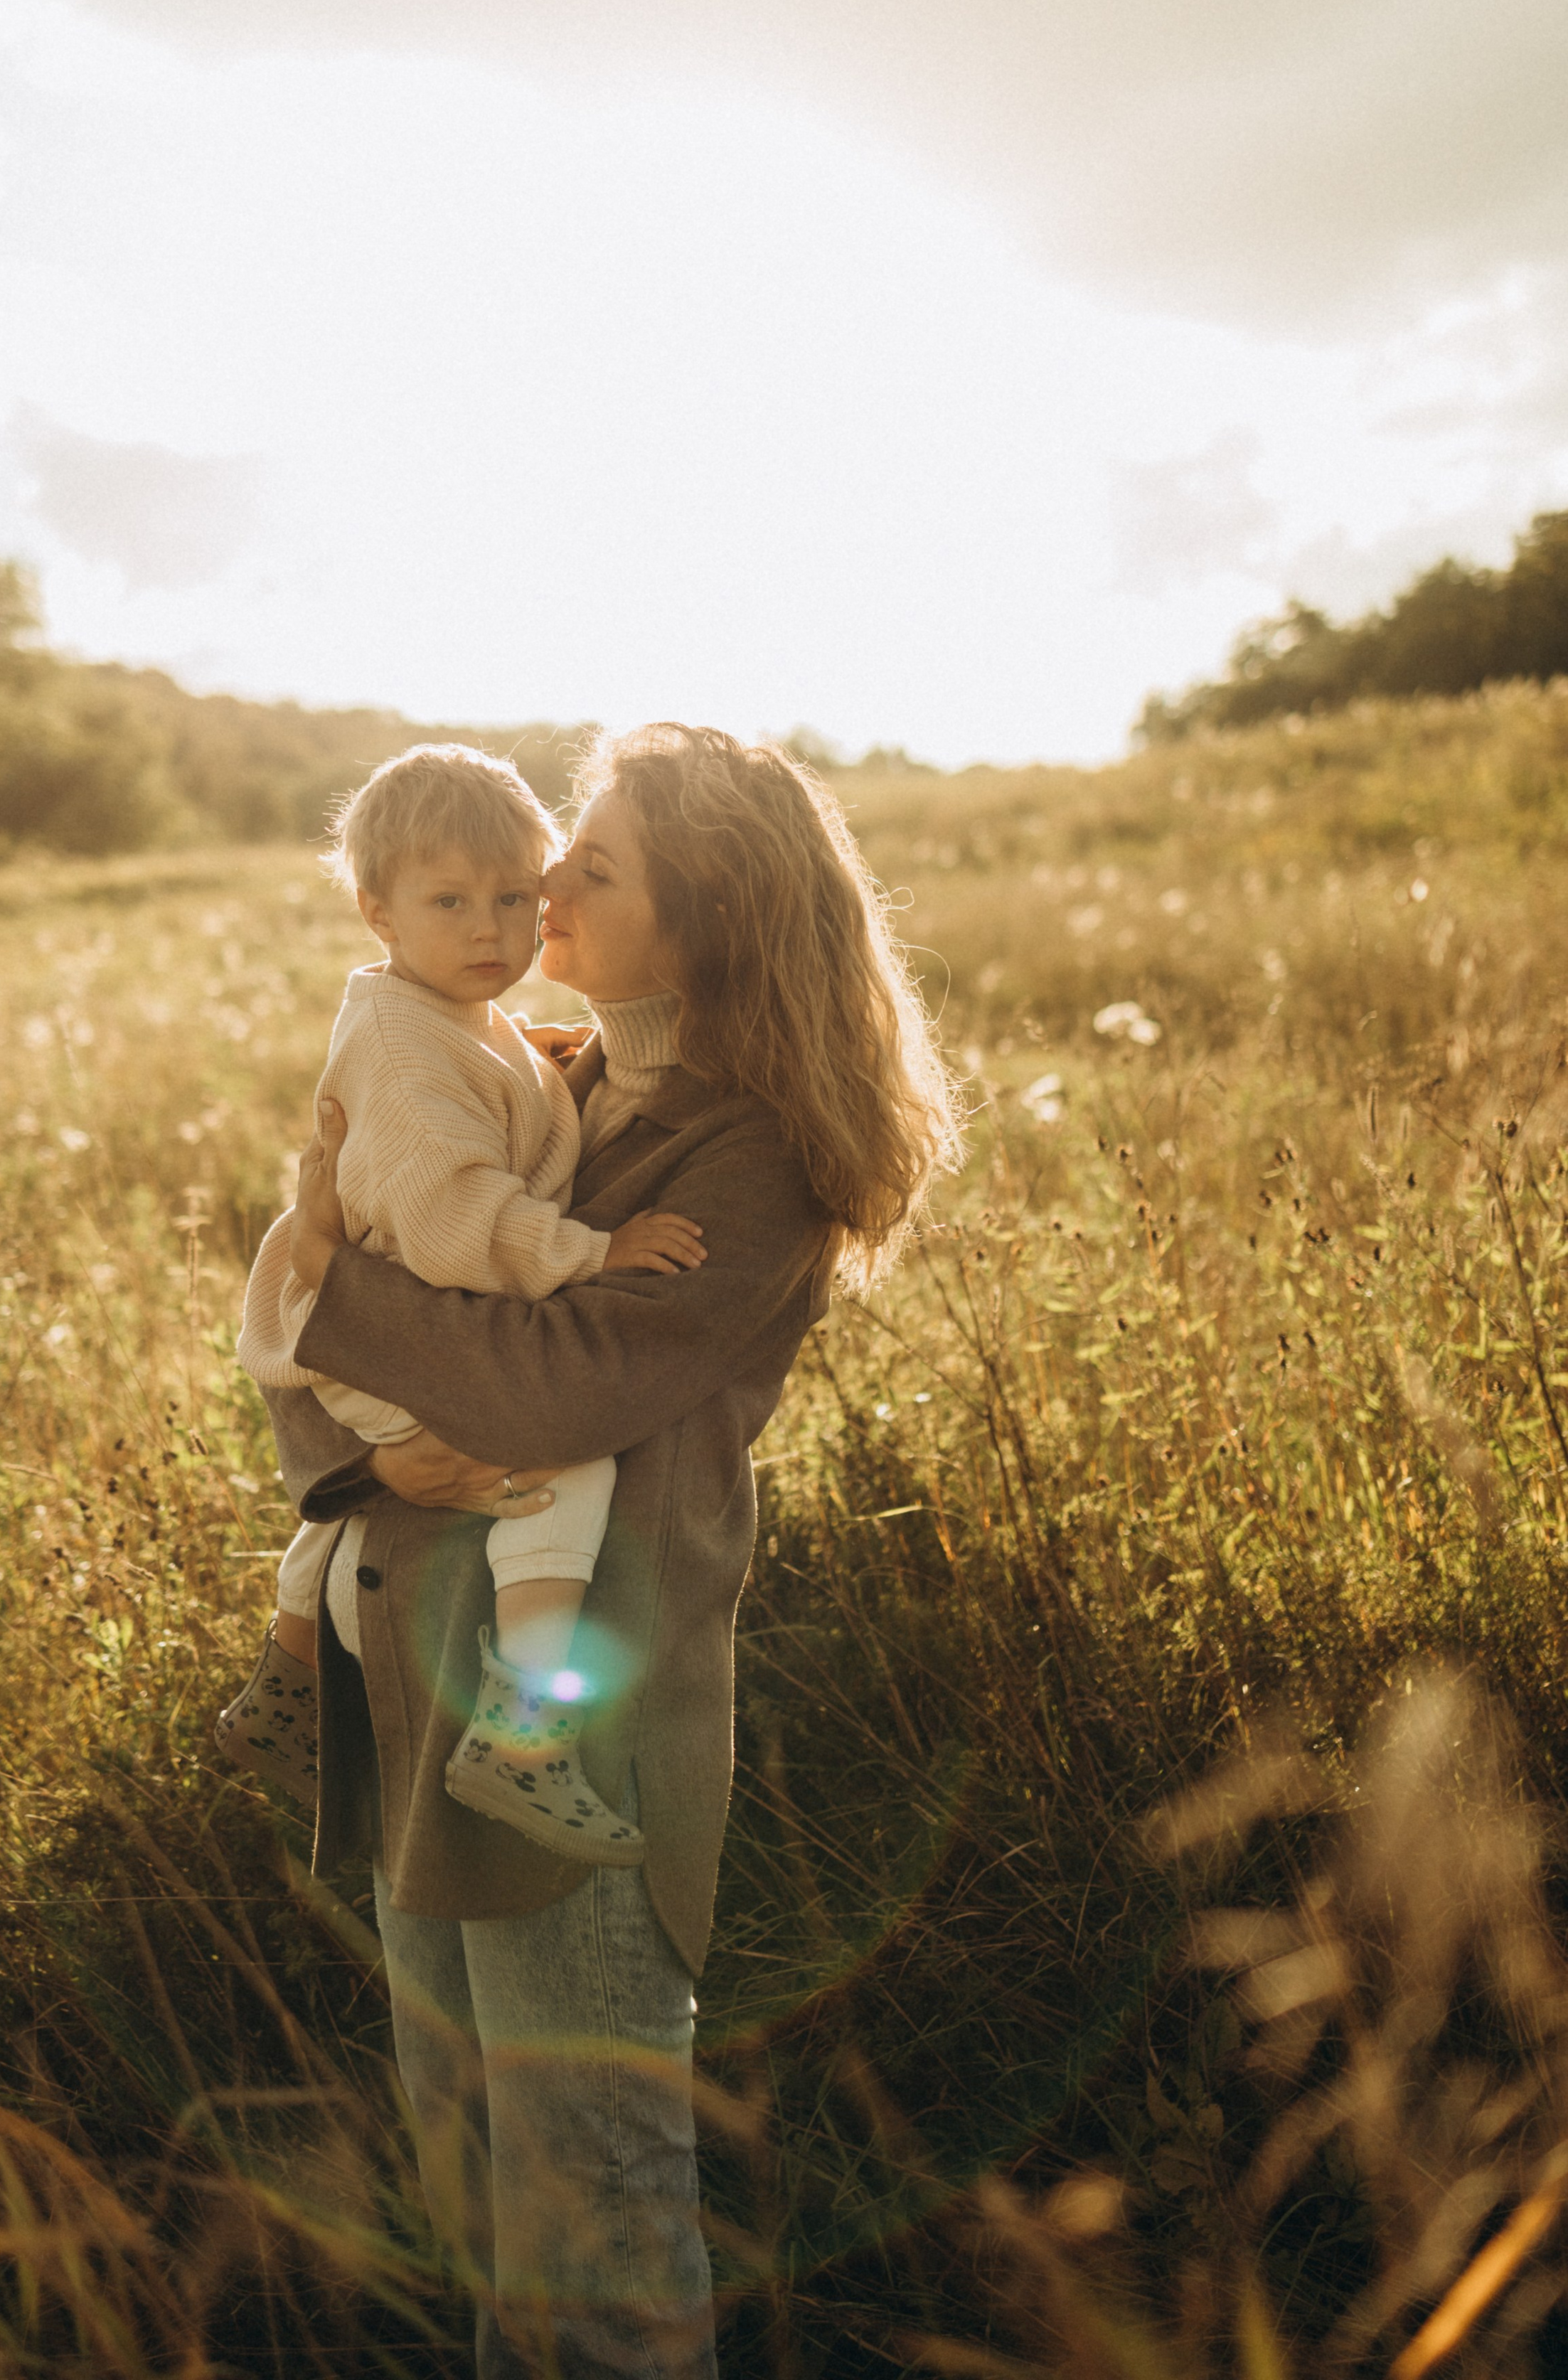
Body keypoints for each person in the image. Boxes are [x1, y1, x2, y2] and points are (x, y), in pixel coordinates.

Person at [266, 723, 957, 2378]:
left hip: (576, 1713)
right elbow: (339, 1380)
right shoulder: (544, 1070)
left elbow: (558, 1379)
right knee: (474, 2165)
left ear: (702, 914)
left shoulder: (754, 1149)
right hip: (419, 1673)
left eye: (595, 858)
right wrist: (356, 1447)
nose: (547, 881)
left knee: (595, 2200)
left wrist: (312, 1283)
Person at [222, 742, 706, 1859]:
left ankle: (285, 1677)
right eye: (451, 902)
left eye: (513, 897)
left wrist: (533, 1067)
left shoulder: (443, 1014)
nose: (492, 931)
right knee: (560, 1461)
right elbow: (454, 1226)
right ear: (376, 910)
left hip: (353, 1316)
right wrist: (594, 1253)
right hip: (372, 1322)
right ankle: (523, 1735)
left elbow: (473, 1105)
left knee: (393, 1488)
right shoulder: (402, 1047)